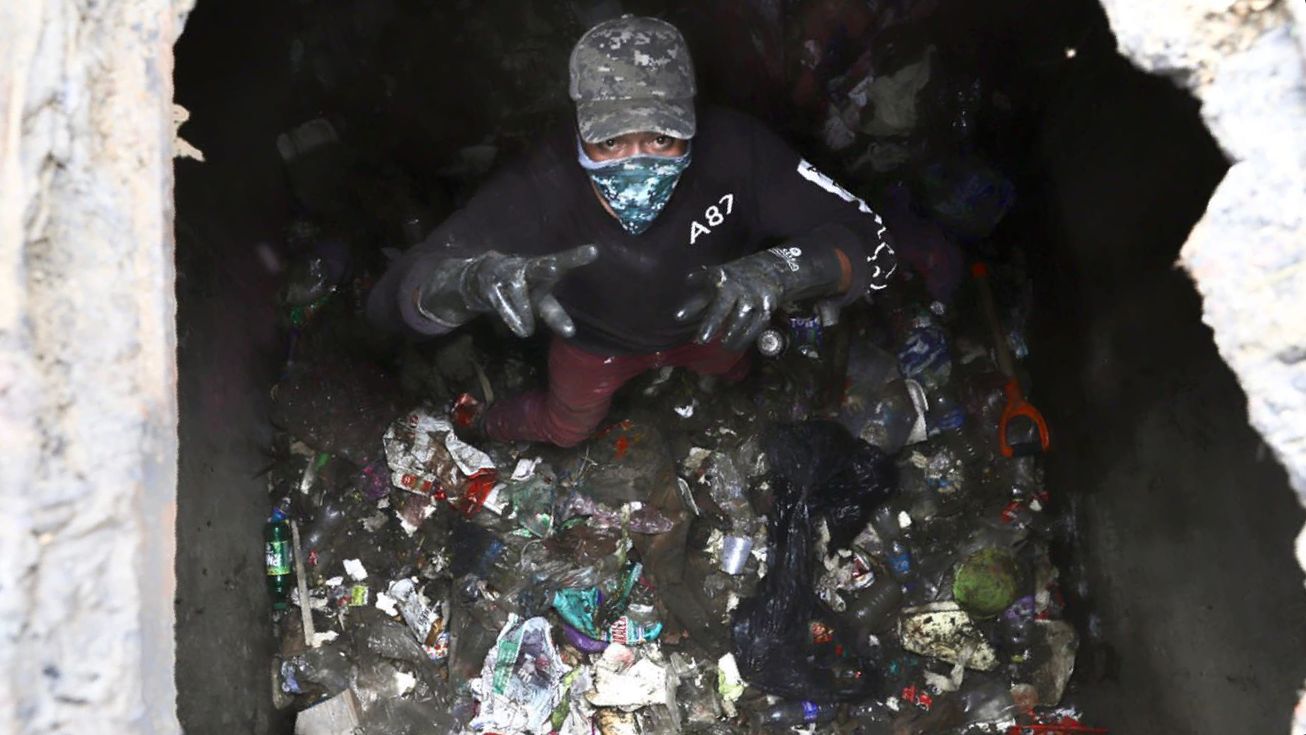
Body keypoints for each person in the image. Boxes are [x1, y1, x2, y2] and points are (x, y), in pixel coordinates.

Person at [367, 15, 898, 447]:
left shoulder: (738, 151)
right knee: (565, 428)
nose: (637, 166)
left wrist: (784, 271)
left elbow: (873, 242)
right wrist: (464, 284)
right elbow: (390, 300)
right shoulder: (539, 187)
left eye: (662, 139)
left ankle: (708, 390)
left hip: (713, 326)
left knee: (735, 376)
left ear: (691, 121)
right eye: (610, 143)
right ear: (579, 132)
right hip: (596, 345)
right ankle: (485, 423)